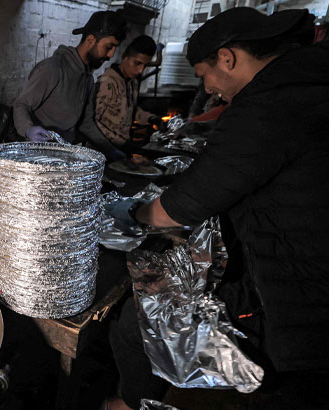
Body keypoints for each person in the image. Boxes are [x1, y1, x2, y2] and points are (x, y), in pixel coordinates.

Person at [105, 7, 328, 409]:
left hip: (303, 304)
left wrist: (133, 214)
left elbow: (182, 206)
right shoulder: (306, 83)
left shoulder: (268, 105)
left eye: (203, 74)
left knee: (134, 324)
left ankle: (132, 402)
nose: (206, 87)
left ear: (227, 58)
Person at [13, 11, 128, 160]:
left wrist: (109, 150)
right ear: (91, 40)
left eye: (115, 48)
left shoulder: (87, 79)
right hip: (38, 156)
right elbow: (21, 105)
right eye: (109, 47)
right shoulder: (53, 69)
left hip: (64, 156)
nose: (111, 55)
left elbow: (85, 123)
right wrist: (28, 129)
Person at [94, 35, 161, 148]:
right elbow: (93, 122)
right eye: (137, 63)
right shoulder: (107, 82)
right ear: (125, 57)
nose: (140, 70)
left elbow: (129, 111)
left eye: (145, 66)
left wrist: (151, 118)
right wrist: (118, 143)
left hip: (120, 148)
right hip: (100, 149)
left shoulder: (132, 82)